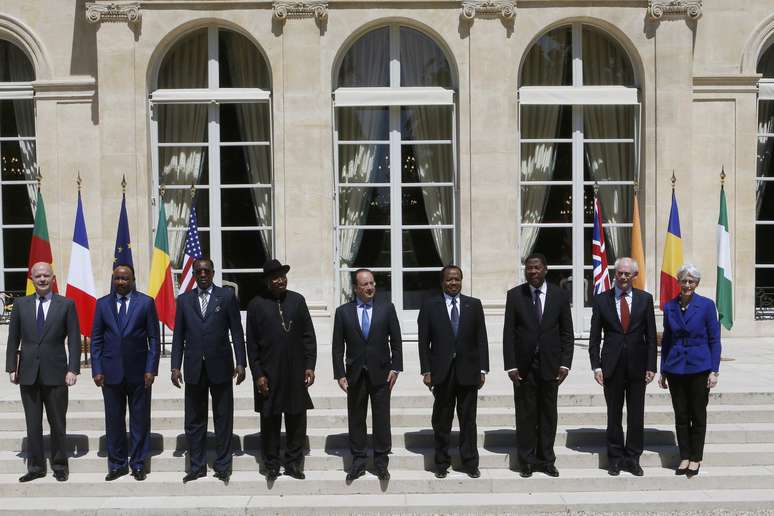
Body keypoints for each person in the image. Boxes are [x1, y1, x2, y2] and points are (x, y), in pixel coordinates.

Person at [171, 258, 246, 483]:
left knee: (223, 418)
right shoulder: (184, 300)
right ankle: (197, 466)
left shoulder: (226, 296)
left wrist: (241, 362)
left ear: (213, 273)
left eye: (206, 271)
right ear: (193, 274)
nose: (202, 274)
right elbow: (178, 337)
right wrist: (175, 366)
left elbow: (237, 332)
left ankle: (223, 466)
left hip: (221, 367)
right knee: (194, 420)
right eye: (198, 271)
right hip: (194, 368)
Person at [5, 262, 80, 482]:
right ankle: (36, 467)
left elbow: (74, 339)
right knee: (33, 423)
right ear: (32, 278)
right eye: (38, 276)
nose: (42, 279)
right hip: (28, 373)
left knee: (57, 422)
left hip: (57, 373)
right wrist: (11, 367)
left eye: (46, 275)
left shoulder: (66, 304)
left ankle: (59, 465)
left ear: (53, 277)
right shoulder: (20, 305)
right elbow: (13, 338)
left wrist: (73, 369)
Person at [502, 253, 574, 478]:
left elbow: (567, 333)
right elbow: (509, 333)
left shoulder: (559, 295)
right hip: (523, 367)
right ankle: (526, 461)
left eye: (536, 268)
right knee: (525, 414)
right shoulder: (515, 296)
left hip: (551, 365)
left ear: (545, 269)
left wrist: (565, 363)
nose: (532, 271)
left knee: (548, 414)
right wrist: (511, 365)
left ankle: (546, 460)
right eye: (529, 268)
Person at [246, 259, 317, 481]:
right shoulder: (256, 305)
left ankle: (294, 463)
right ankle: (271, 464)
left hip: (295, 371)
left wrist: (310, 366)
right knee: (270, 421)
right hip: (269, 373)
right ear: (267, 281)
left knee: (297, 419)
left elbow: (309, 337)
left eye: (283, 276)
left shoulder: (297, 301)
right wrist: (258, 374)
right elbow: (252, 345)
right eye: (275, 277)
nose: (281, 280)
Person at [418, 265, 489, 479]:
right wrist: (426, 370)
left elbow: (481, 339)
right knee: (442, 419)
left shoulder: (473, 305)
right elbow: (423, 342)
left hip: (469, 371)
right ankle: (441, 462)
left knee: (468, 420)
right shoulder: (430, 305)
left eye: (457, 279)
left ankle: (470, 462)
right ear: (442, 282)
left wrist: (483, 369)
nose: (453, 283)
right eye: (449, 279)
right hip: (442, 372)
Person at [90, 265, 160, 481]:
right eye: (117, 278)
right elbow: (97, 340)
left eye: (125, 278)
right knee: (114, 421)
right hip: (110, 374)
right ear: (113, 279)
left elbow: (154, 339)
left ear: (133, 279)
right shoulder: (102, 304)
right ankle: (117, 464)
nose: (121, 282)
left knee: (139, 420)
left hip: (139, 373)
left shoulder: (146, 303)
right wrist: (97, 368)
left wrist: (151, 369)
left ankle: (138, 463)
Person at [589, 257, 657, 477]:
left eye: (628, 274)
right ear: (614, 274)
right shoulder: (601, 300)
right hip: (612, 366)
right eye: (620, 273)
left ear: (635, 276)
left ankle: (633, 458)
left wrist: (651, 366)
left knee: (636, 415)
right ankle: (615, 459)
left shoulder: (645, 299)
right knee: (614, 414)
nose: (623, 277)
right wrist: (596, 366)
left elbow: (651, 336)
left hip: (638, 366)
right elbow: (594, 337)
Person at [332, 269, 402, 482]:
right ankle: (359, 462)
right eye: (365, 284)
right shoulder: (343, 312)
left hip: (382, 373)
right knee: (356, 419)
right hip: (355, 374)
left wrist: (396, 368)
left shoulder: (386, 309)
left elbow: (396, 342)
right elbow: (337, 347)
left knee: (382, 419)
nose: (370, 287)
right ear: (355, 288)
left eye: (372, 283)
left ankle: (381, 463)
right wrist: (340, 374)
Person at [658, 264, 721, 478]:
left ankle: (696, 458)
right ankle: (684, 456)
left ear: (697, 284)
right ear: (678, 282)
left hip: (699, 367)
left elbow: (714, 339)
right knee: (681, 415)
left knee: (698, 414)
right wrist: (663, 370)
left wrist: (714, 370)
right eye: (684, 281)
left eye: (691, 281)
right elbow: (667, 340)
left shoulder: (706, 306)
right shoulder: (669, 307)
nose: (687, 285)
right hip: (676, 367)